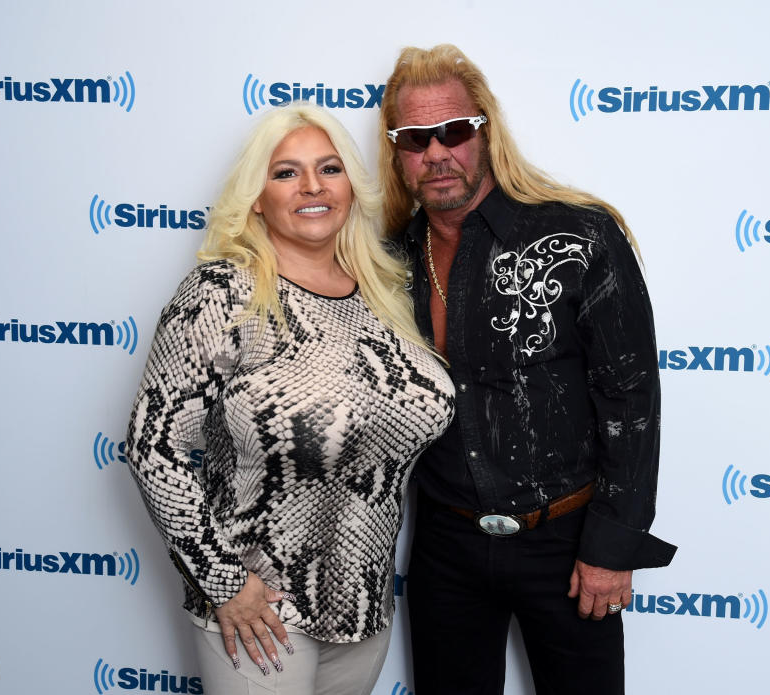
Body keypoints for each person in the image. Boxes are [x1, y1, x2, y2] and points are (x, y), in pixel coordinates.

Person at [377, 45, 677, 694]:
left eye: (454, 132)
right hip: (445, 546)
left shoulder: (579, 236)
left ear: (485, 131)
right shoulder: (385, 259)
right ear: (395, 150)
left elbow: (631, 400)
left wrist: (612, 543)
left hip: (567, 543)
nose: (436, 153)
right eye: (414, 138)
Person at [125, 102, 454, 695]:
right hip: (262, 616)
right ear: (256, 196)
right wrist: (224, 584)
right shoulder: (222, 294)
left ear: (351, 186)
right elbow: (156, 450)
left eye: (329, 169)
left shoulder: (383, 293)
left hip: (362, 610)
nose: (312, 187)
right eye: (286, 173)